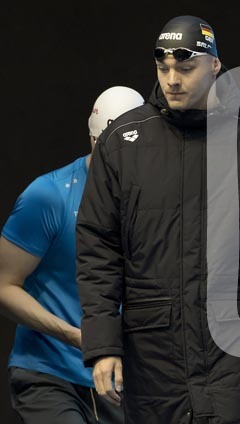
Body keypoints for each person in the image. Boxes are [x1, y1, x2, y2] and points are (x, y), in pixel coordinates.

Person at [75, 15, 240, 424]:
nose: (172, 79)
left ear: (214, 65)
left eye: (185, 67)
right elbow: (97, 250)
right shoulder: (123, 142)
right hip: (152, 349)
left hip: (233, 345)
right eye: (163, 68)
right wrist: (104, 345)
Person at [0, 86, 144, 423]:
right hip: (50, 374)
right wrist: (75, 336)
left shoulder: (154, 204)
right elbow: (4, 286)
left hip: (121, 379)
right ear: (93, 140)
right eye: (109, 148)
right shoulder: (48, 196)